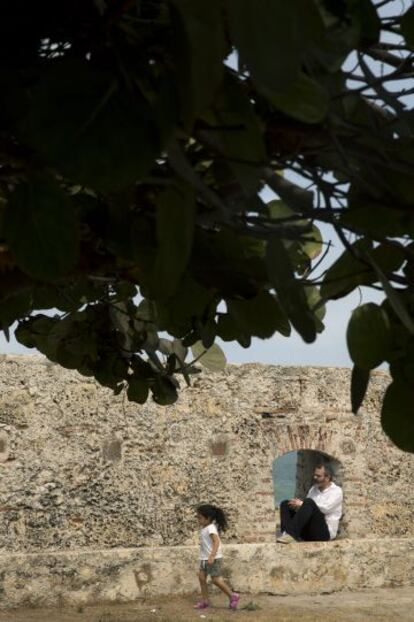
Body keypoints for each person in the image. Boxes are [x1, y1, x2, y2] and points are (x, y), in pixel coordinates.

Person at [277, 462, 343, 544]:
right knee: (285, 504)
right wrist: (297, 506)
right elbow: (307, 509)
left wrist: (301, 504)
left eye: (318, 476)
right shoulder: (313, 489)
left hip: (324, 533)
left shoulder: (336, 491)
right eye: (314, 475)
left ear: (327, 477)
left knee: (309, 502)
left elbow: (325, 509)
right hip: (309, 530)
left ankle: (291, 534)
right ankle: (286, 534)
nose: (315, 477)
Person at [194, 504, 240, 610]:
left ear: (208, 518)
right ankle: (205, 601)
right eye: (197, 517)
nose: (198, 520)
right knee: (201, 578)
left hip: (212, 558)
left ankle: (233, 596)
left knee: (215, 579)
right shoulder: (204, 528)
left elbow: (216, 541)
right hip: (204, 558)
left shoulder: (211, 528)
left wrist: (212, 555)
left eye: (200, 517)